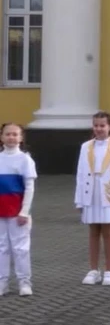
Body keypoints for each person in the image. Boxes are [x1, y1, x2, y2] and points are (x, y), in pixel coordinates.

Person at [75, 111, 110, 287]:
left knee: (108, 232)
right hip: (90, 192)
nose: (99, 129)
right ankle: (93, 269)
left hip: (108, 193)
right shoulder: (86, 146)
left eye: (102, 125)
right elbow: (81, 173)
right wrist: (79, 199)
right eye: (96, 125)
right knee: (93, 232)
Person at [0, 123, 36, 297]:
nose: (11, 137)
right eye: (8, 134)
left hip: (17, 213)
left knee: (21, 248)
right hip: (1, 212)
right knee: (2, 248)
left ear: (21, 138)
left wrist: (24, 211)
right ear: (2, 137)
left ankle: (24, 282)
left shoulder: (25, 160)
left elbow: (29, 188)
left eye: (15, 134)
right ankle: (2, 282)